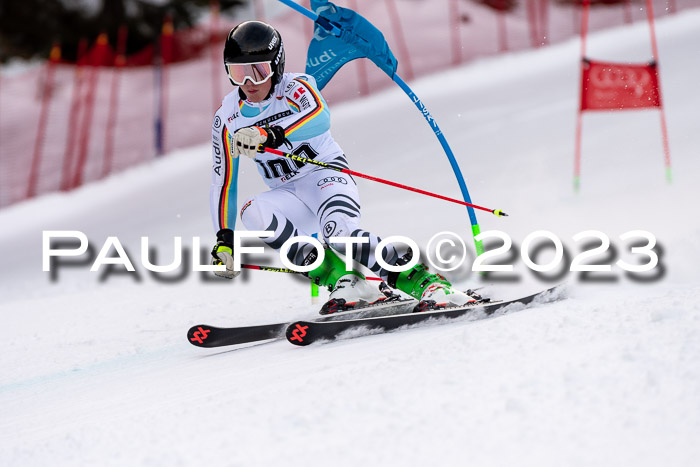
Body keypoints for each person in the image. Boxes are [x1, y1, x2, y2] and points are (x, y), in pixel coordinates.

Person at [209, 20, 475, 313]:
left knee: (341, 235)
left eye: (259, 71)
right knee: (253, 212)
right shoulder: (228, 118)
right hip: (288, 193)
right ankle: (345, 280)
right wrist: (225, 239)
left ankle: (425, 282)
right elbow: (223, 182)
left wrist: (270, 133)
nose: (249, 83)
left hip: (325, 176)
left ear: (277, 64)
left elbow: (320, 117)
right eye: (238, 73)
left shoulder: (297, 88)